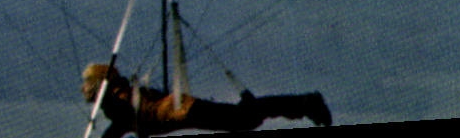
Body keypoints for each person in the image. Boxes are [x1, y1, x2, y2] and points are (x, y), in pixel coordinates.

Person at [81, 62, 331, 136]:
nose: (83, 89)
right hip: (182, 111)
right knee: (244, 117)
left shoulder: (116, 100)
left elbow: (122, 116)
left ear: (99, 85)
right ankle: (305, 104)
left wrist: (106, 94)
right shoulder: (116, 105)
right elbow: (117, 129)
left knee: (244, 119)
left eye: (87, 84)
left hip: (185, 111)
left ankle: (308, 102)